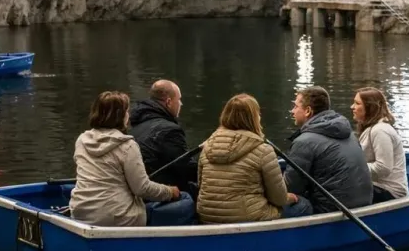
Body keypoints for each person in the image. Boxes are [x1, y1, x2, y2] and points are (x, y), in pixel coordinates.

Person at [68, 91, 196, 226]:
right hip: (118, 218)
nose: (128, 116)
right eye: (126, 112)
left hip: (79, 213)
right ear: (121, 116)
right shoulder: (127, 145)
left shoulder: (82, 140)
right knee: (186, 200)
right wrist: (170, 191)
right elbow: (142, 189)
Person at [197, 94, 310, 223]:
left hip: (207, 215)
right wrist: (290, 197)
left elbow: (201, 185)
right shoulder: (264, 150)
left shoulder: (207, 147)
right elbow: (278, 199)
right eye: (258, 114)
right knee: (304, 205)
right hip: (247, 218)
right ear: (254, 118)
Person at [285, 86, 372, 213]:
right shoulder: (349, 134)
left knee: (284, 202)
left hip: (332, 209)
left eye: (296, 106)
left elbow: (291, 187)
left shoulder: (304, 141)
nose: (292, 111)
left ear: (308, 111)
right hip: (364, 202)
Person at [130, 80, 198, 195]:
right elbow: (187, 170)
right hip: (158, 195)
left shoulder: (135, 128)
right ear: (169, 102)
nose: (181, 104)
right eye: (179, 99)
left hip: (138, 192)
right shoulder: (170, 130)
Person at [350, 87, 408, 203]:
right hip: (375, 185)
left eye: (357, 103)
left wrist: (352, 169)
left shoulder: (380, 131)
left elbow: (383, 168)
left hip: (390, 192)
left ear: (370, 107)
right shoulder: (371, 128)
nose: (352, 107)